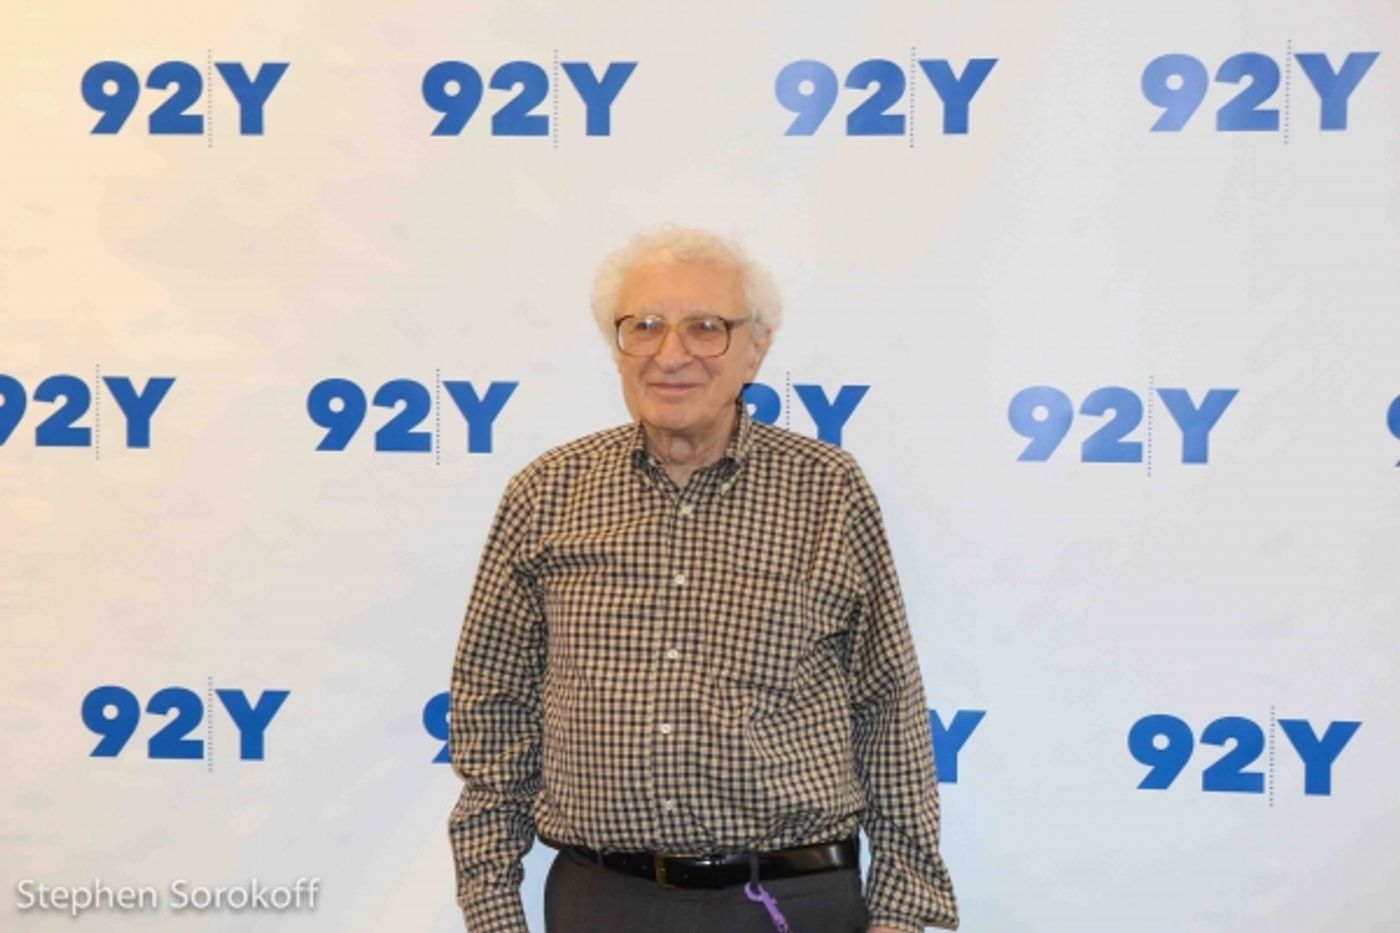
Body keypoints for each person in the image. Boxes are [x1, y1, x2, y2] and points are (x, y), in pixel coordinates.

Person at [449, 227, 957, 932]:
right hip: (602, 901)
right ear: (617, 346)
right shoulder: (547, 494)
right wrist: (492, 909)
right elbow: (492, 710)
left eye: (706, 328)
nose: (671, 354)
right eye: (645, 326)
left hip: (790, 902)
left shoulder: (827, 492)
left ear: (757, 347)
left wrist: (902, 910)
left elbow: (887, 704)